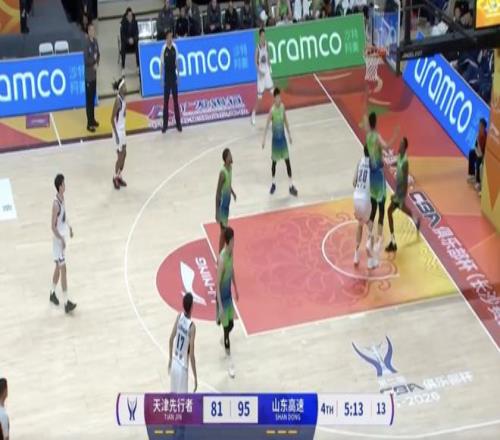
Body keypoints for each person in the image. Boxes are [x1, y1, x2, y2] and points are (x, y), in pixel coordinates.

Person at [360, 112, 398, 268]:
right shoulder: (376, 136)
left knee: (373, 209)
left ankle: (369, 237)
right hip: (379, 176)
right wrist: (395, 135)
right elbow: (387, 146)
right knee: (382, 209)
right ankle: (377, 243)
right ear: (376, 123)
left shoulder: (368, 136)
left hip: (371, 175)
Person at [385, 137, 420, 252]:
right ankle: (415, 220)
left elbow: (404, 181)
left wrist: (398, 195)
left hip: (400, 192)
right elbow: (396, 162)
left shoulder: (405, 162)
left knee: (389, 212)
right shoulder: (400, 157)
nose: (399, 145)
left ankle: (393, 242)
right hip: (398, 191)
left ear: (404, 147)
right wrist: (391, 164)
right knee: (402, 209)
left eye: (401, 144)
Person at [262, 88, 298, 196]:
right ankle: (273, 183)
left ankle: (291, 186)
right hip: (275, 142)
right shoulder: (272, 111)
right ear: (274, 98)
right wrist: (263, 139)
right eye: (277, 97)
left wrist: (289, 134)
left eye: (280, 97)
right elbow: (266, 125)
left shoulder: (282, 107)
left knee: (287, 162)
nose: (279, 99)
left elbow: (286, 121)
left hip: (283, 139)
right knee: (274, 163)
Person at [49, 174, 77, 314]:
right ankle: (66, 303)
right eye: (64, 184)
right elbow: (53, 226)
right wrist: (61, 239)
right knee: (63, 269)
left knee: (58, 268)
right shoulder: (55, 204)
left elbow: (64, 217)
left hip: (61, 239)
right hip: (58, 241)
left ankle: (52, 293)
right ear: (60, 186)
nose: (65, 185)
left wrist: (70, 227)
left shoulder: (62, 198)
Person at [216, 227, 239, 378]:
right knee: (226, 331)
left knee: (231, 325)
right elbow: (217, 285)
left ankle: (224, 338)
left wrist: (236, 287)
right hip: (222, 299)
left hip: (229, 296)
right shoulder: (222, 259)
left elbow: (232, 270)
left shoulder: (231, 254)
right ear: (228, 242)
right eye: (233, 241)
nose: (234, 243)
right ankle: (230, 365)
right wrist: (220, 307)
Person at [168, 293, 198, 393]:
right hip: (182, 368)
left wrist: (170, 359)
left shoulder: (179, 317)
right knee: (182, 401)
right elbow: (191, 355)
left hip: (174, 363)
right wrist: (195, 377)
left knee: (173, 398)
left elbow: (171, 339)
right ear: (192, 306)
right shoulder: (192, 327)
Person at [352, 146, 372, 265]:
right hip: (365, 199)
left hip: (356, 198)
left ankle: (356, 255)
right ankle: (369, 248)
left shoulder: (360, 161)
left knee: (360, 225)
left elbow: (353, 182)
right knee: (370, 224)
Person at [215, 148, 237, 252]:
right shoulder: (222, 173)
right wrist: (217, 212)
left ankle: (220, 253)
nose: (231, 156)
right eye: (230, 155)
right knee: (223, 232)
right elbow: (218, 193)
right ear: (226, 158)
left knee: (223, 230)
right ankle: (219, 255)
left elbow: (228, 184)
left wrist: (232, 192)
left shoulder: (230, 168)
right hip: (222, 206)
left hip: (227, 205)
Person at [160, 30, 182, 133]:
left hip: (173, 77)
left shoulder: (175, 47)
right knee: (166, 102)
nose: (171, 39)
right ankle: (165, 125)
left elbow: (177, 62)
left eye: (172, 37)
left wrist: (178, 76)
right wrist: (161, 78)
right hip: (167, 78)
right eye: (169, 37)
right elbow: (161, 64)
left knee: (176, 101)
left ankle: (178, 124)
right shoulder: (163, 49)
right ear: (166, 38)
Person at [251, 28, 274, 126]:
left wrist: (270, 66)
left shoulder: (267, 44)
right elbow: (255, 63)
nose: (263, 37)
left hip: (267, 72)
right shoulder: (257, 48)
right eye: (262, 36)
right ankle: (253, 114)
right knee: (259, 99)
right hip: (261, 74)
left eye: (264, 35)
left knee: (274, 93)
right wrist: (259, 71)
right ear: (259, 36)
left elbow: (268, 56)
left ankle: (272, 116)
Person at [110, 78, 128, 190]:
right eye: (124, 86)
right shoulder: (117, 101)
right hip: (117, 131)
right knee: (120, 156)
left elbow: (122, 115)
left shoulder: (124, 99)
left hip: (122, 130)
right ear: (120, 88)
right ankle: (115, 177)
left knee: (124, 154)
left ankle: (119, 175)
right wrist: (116, 135)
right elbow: (111, 119)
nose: (126, 87)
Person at [84, 23, 100, 133]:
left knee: (93, 98)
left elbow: (98, 54)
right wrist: (94, 61)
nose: (92, 32)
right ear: (88, 31)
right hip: (89, 76)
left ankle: (93, 119)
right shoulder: (86, 44)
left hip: (94, 75)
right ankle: (89, 124)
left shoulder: (95, 41)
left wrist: (97, 62)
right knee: (89, 100)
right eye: (91, 30)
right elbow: (86, 60)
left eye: (94, 30)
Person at [467, 118, 487, 192]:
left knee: (478, 161)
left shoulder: (486, 136)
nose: (479, 126)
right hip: (479, 152)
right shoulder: (479, 133)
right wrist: (476, 150)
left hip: (483, 155)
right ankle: (472, 175)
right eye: (479, 125)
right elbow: (476, 145)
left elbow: (485, 149)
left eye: (480, 125)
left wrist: (481, 155)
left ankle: (478, 182)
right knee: (471, 153)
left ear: (483, 127)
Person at [120, 8, 139, 73]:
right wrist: (128, 40)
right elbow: (122, 36)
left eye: (131, 15)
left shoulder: (135, 22)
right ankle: (123, 67)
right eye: (129, 16)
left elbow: (137, 33)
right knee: (123, 47)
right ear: (126, 16)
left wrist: (133, 39)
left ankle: (138, 66)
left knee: (137, 46)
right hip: (126, 43)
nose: (130, 17)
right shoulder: (123, 24)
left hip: (133, 42)